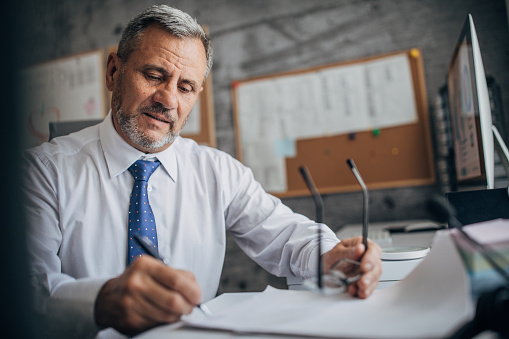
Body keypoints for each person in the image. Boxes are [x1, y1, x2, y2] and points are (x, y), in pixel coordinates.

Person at [22, 5, 382, 338]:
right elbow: (25, 291)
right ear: (114, 72)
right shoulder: (41, 172)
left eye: (185, 87)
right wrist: (100, 301)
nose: (168, 100)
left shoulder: (217, 171)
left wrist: (332, 254)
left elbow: (286, 235)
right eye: (154, 75)